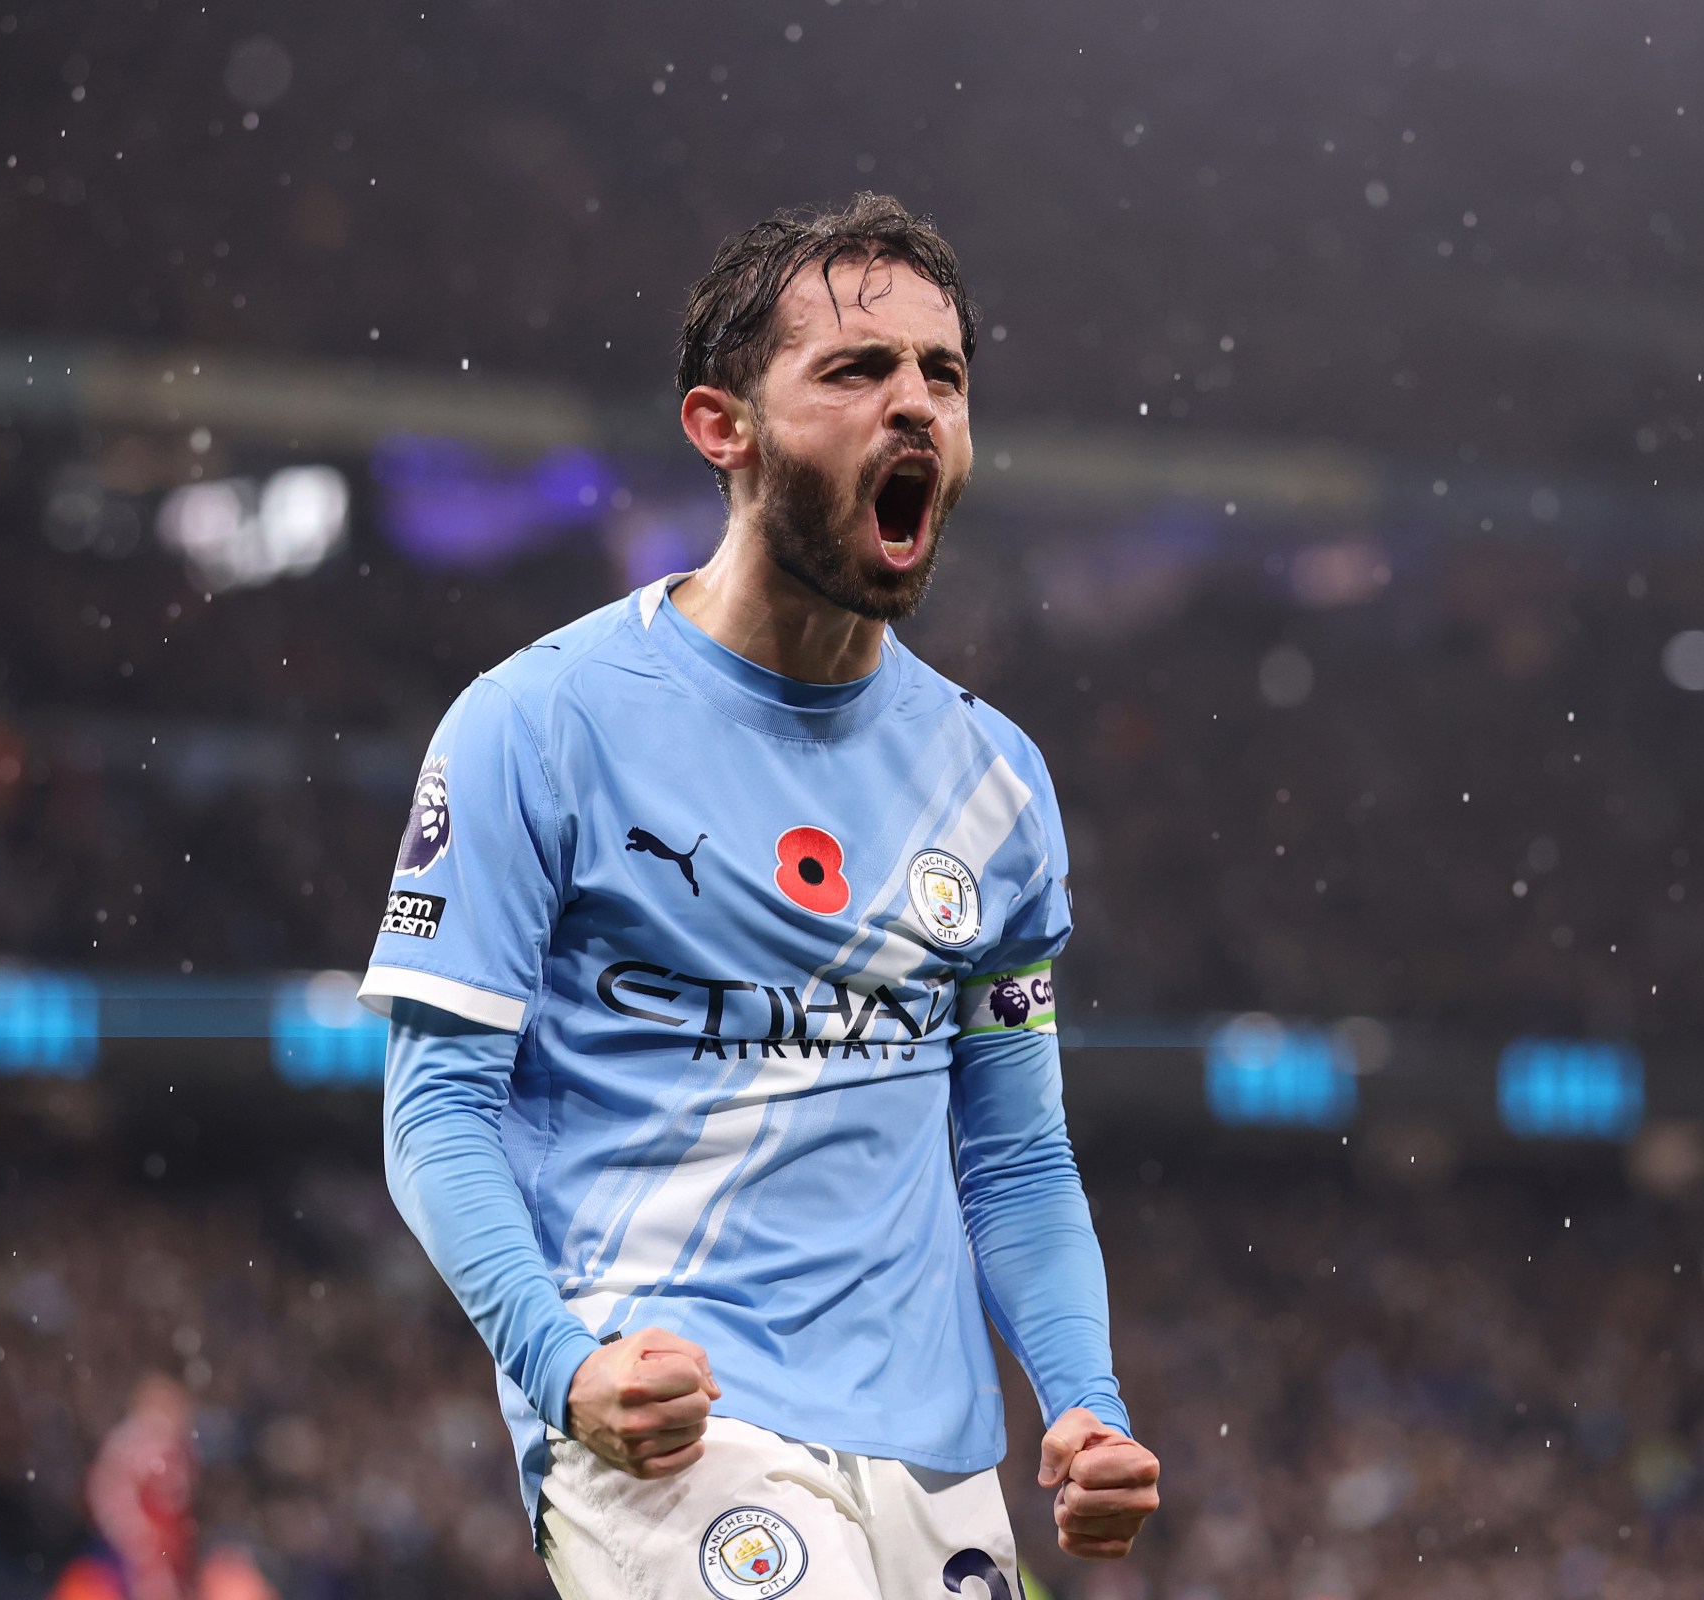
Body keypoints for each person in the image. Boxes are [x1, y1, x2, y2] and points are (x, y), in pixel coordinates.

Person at [362, 193, 1160, 1596]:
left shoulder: (996, 787)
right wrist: (563, 1368)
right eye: (857, 371)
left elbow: (1018, 1155)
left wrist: (1085, 1398)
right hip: (677, 1427)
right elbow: (436, 1111)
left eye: (945, 375)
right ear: (721, 427)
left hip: (933, 1453)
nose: (914, 405)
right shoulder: (537, 724)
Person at [79, 1375, 197, 1600]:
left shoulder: (175, 1448)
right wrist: (137, 1533)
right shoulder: (135, 1445)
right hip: (135, 1547)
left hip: (161, 1544)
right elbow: (107, 1492)